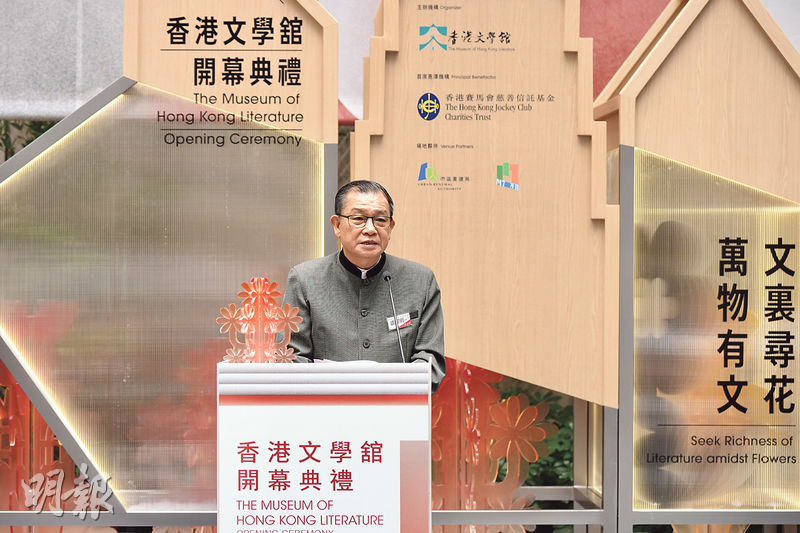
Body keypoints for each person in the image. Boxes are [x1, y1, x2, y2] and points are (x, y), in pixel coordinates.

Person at [282, 180, 446, 388]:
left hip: (395, 404)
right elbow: (291, 356)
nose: (370, 229)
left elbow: (431, 362)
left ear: (390, 227)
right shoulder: (304, 279)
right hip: (325, 404)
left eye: (380, 220)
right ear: (337, 225)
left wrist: (384, 391)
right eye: (358, 219)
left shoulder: (421, 281)